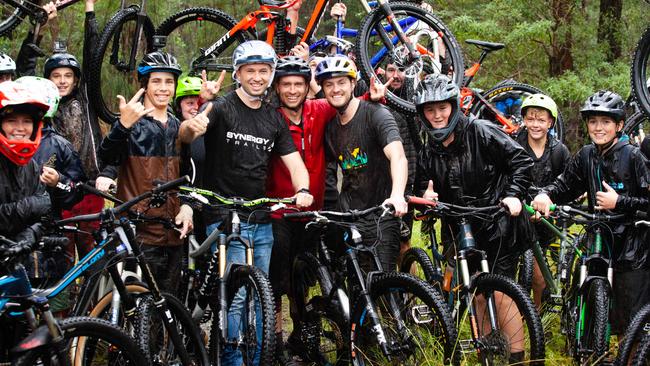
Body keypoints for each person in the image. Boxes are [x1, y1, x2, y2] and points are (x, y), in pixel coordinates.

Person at [178, 40, 313, 366]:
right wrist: (189, 128)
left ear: (270, 75)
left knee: (260, 297)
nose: (257, 77)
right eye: (250, 70)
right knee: (236, 299)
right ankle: (232, 361)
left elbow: (294, 163)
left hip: (261, 217)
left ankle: (256, 359)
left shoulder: (273, 118)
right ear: (238, 73)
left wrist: (303, 188)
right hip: (223, 214)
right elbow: (186, 135)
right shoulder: (221, 107)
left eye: (263, 71)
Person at [414, 74, 535, 363]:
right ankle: (487, 356)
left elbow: (520, 161)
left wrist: (514, 194)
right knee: (477, 293)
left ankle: (518, 358)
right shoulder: (428, 148)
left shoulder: (480, 131)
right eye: (430, 110)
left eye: (442, 107)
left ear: (454, 106)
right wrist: (426, 196)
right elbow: (421, 187)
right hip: (459, 225)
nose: (437, 115)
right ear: (423, 114)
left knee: (503, 293)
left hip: (497, 221)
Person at [531, 90, 650, 338]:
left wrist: (619, 202)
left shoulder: (634, 156)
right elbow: (566, 184)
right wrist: (546, 195)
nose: (598, 128)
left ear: (619, 125)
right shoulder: (587, 155)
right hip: (598, 236)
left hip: (632, 246)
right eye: (593, 121)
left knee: (630, 320)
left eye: (606, 122)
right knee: (588, 294)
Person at [17, 0, 109, 260]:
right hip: (56, 192)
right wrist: (38, 28)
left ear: (76, 79)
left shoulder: (87, 100)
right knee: (62, 257)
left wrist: (90, 11)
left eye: (68, 76)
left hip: (89, 190)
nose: (62, 81)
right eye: (56, 76)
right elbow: (26, 71)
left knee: (93, 257)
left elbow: (93, 58)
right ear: (47, 80)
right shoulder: (43, 109)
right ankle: (66, 302)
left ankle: (96, 301)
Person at [97, 51, 195, 294]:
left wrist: (187, 206)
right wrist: (122, 126)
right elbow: (106, 156)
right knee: (137, 307)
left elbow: (188, 178)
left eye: (169, 81)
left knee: (168, 306)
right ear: (144, 85)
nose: (163, 88)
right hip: (138, 233)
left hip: (173, 233)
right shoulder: (132, 122)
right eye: (156, 81)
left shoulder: (177, 127)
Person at [316, 55, 409, 275]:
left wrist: (397, 195)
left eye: (341, 83)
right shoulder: (331, 128)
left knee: (383, 287)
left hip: (381, 214)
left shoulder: (376, 114)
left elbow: (398, 156)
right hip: (350, 218)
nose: (335, 89)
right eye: (329, 85)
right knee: (358, 290)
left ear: (352, 84)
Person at [514, 93, 570, 309]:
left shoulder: (559, 151)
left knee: (538, 277)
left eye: (541, 120)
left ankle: (535, 315)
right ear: (524, 120)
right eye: (530, 118)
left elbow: (566, 183)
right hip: (518, 216)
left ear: (550, 122)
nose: (535, 124)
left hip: (546, 220)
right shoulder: (513, 146)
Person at [0, 81, 51, 241]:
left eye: (27, 121)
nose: (20, 128)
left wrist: (31, 233)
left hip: (22, 253)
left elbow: (44, 214)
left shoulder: (30, 165)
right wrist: (29, 206)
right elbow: (38, 205)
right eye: (11, 121)